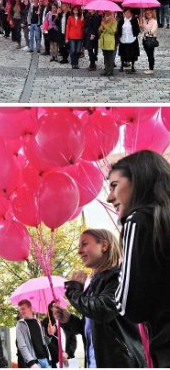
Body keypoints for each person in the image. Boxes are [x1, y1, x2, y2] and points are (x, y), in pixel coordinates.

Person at [107, 151, 170, 367]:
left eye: (114, 185)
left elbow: (129, 306)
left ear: (139, 180)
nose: (109, 197)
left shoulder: (139, 220)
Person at [53, 228, 146, 368]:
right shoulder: (94, 284)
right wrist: (69, 320)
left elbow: (102, 311)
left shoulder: (118, 277)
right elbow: (95, 326)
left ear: (104, 245)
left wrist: (73, 291)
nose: (79, 251)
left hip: (121, 362)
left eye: (84, 244)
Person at [16, 299, 53, 368]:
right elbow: (22, 346)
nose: (21, 311)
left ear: (30, 308)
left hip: (46, 359)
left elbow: (45, 342)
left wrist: (49, 334)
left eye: (23, 309)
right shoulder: (20, 324)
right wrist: (31, 362)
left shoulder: (38, 322)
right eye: (20, 310)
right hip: (34, 362)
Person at [40, 301, 70, 368]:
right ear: (51, 308)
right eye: (55, 306)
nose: (58, 307)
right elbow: (45, 340)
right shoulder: (45, 322)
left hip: (67, 356)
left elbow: (71, 337)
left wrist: (68, 352)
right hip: (55, 357)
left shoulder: (64, 320)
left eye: (59, 306)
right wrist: (60, 353)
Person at [116, 8, 140, 73]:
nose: (127, 14)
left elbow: (137, 30)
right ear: (124, 13)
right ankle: (121, 66)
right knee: (122, 54)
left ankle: (132, 66)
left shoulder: (134, 20)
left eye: (128, 12)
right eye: (126, 13)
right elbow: (118, 29)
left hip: (132, 39)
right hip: (123, 39)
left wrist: (134, 34)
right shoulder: (121, 21)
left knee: (132, 54)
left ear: (131, 13)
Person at [139, 8, 158, 74]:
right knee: (148, 54)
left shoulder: (154, 21)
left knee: (150, 54)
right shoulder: (145, 20)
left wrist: (147, 32)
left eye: (149, 13)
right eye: (146, 13)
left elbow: (153, 30)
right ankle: (150, 67)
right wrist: (141, 25)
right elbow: (142, 30)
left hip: (151, 40)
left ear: (152, 14)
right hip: (145, 39)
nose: (148, 14)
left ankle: (151, 69)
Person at [65, 5, 85, 69]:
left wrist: (82, 20)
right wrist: (66, 38)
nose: (75, 10)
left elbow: (82, 27)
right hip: (72, 36)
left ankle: (76, 63)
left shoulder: (81, 17)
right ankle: (73, 63)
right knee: (73, 50)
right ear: (72, 10)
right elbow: (67, 28)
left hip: (79, 36)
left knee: (78, 51)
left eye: (77, 9)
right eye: (74, 9)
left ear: (78, 10)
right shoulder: (70, 17)